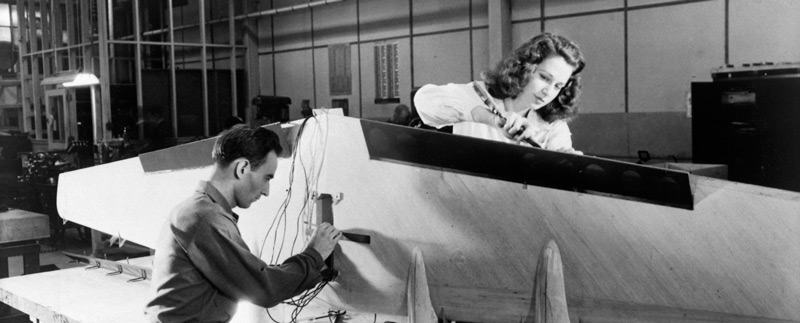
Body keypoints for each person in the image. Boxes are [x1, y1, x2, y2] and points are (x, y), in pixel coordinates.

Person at [144, 126, 342, 323]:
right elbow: (264, 288)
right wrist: (314, 255)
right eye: (266, 178)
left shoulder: (198, 210)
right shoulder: (205, 218)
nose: (267, 191)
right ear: (242, 168)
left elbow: (248, 275)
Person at [414, 32, 586, 154]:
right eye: (544, 78)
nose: (548, 92)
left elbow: (561, 155)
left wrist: (567, 160)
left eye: (558, 86)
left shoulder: (553, 123)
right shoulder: (478, 93)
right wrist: (493, 120)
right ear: (525, 67)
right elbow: (423, 101)